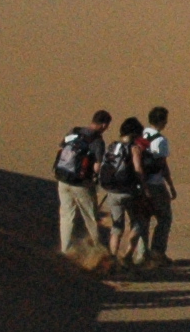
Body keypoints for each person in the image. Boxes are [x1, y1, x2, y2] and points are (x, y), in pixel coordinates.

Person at [55, 110, 111, 254]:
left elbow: (61, 147)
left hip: (63, 179)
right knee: (90, 217)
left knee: (66, 216)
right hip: (81, 184)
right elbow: (97, 166)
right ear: (104, 125)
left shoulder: (74, 131)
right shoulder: (97, 141)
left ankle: (65, 250)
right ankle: (98, 249)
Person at [97, 114, 147, 266]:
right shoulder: (133, 148)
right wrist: (143, 187)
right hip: (129, 192)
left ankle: (112, 258)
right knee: (138, 223)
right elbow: (138, 169)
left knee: (117, 227)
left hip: (112, 192)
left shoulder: (112, 147)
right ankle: (128, 256)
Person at [136, 104, 178, 268]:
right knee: (165, 218)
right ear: (162, 121)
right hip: (155, 184)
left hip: (139, 184)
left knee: (143, 220)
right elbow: (162, 165)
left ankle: (141, 255)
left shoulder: (140, 136)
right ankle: (157, 254)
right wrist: (171, 185)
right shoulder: (160, 140)